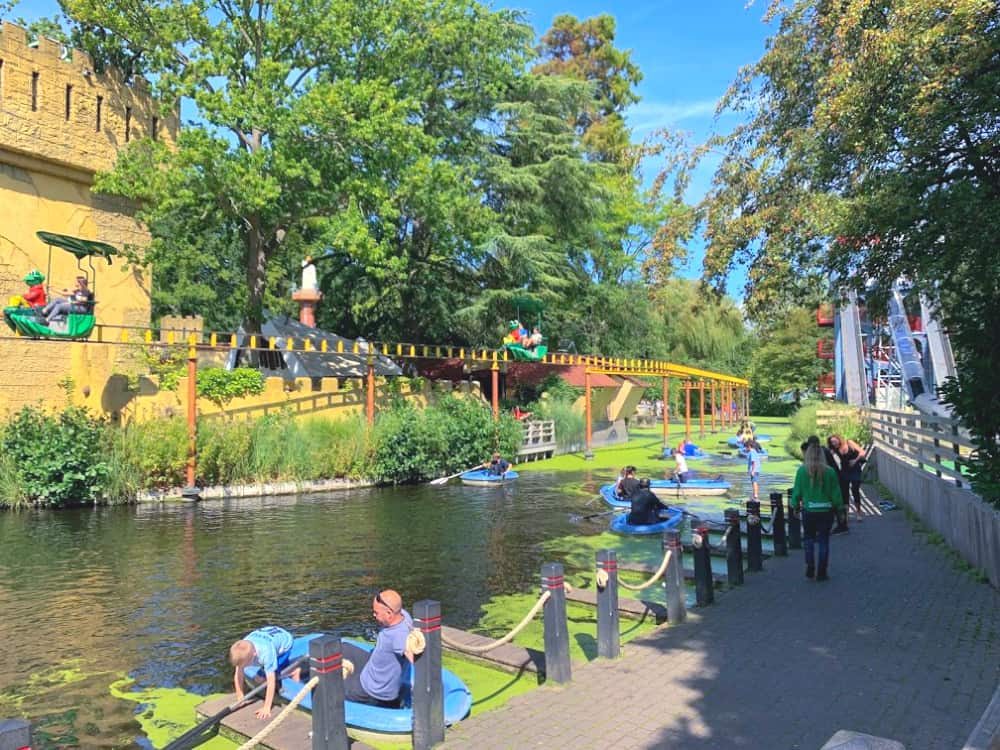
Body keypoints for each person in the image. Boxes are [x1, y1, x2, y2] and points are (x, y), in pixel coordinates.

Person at [343, 590, 414, 707]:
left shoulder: (398, 638)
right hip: (372, 665)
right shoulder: (404, 616)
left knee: (331, 684)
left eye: (376, 613)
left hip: (373, 690)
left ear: (389, 614)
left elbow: (415, 658)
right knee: (343, 647)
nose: (373, 615)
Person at [791, 442, 844, 580]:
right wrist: (840, 509)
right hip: (826, 511)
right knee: (823, 541)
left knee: (808, 539)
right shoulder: (830, 472)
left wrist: (795, 506)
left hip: (809, 510)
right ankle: (822, 571)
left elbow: (797, 492)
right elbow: (836, 494)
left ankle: (810, 564)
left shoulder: (802, 471)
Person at [229, 625, 299, 720]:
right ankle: (280, 670)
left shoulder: (266, 653)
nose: (243, 668)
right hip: (268, 636)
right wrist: (240, 695)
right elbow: (238, 674)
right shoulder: (242, 648)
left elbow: (271, 682)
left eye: (245, 665)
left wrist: (266, 707)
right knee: (260, 678)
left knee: (268, 676)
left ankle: (293, 671)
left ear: (254, 655)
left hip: (285, 643)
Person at [828, 434, 866, 522]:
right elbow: (829, 456)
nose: (833, 443)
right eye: (832, 442)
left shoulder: (849, 442)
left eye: (835, 441)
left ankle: (858, 512)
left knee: (855, 489)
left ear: (839, 439)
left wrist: (855, 460)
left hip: (855, 469)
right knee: (844, 492)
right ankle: (846, 514)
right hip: (844, 470)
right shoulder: (834, 449)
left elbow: (862, 452)